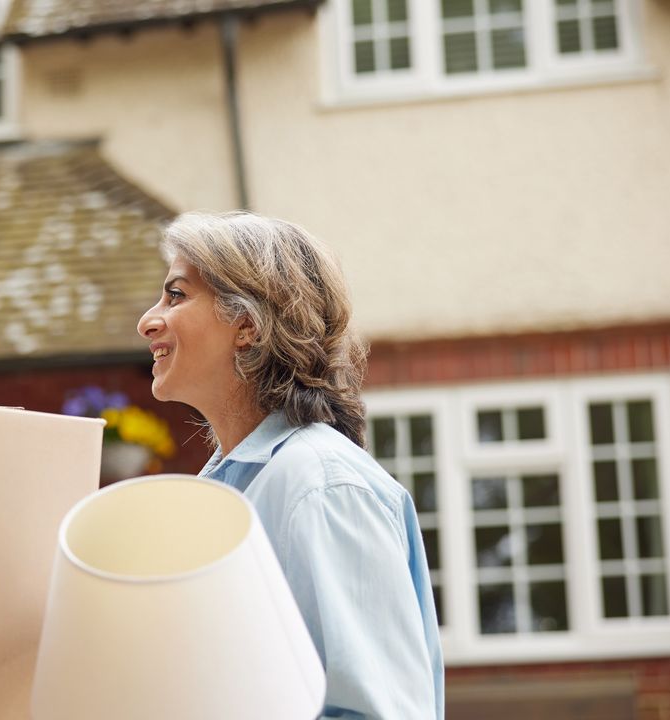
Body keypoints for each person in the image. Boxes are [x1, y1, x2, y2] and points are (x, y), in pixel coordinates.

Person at [137, 211, 444, 718]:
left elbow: (372, 711)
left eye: (176, 294)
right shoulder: (232, 488)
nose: (148, 321)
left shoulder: (320, 485)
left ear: (247, 325)